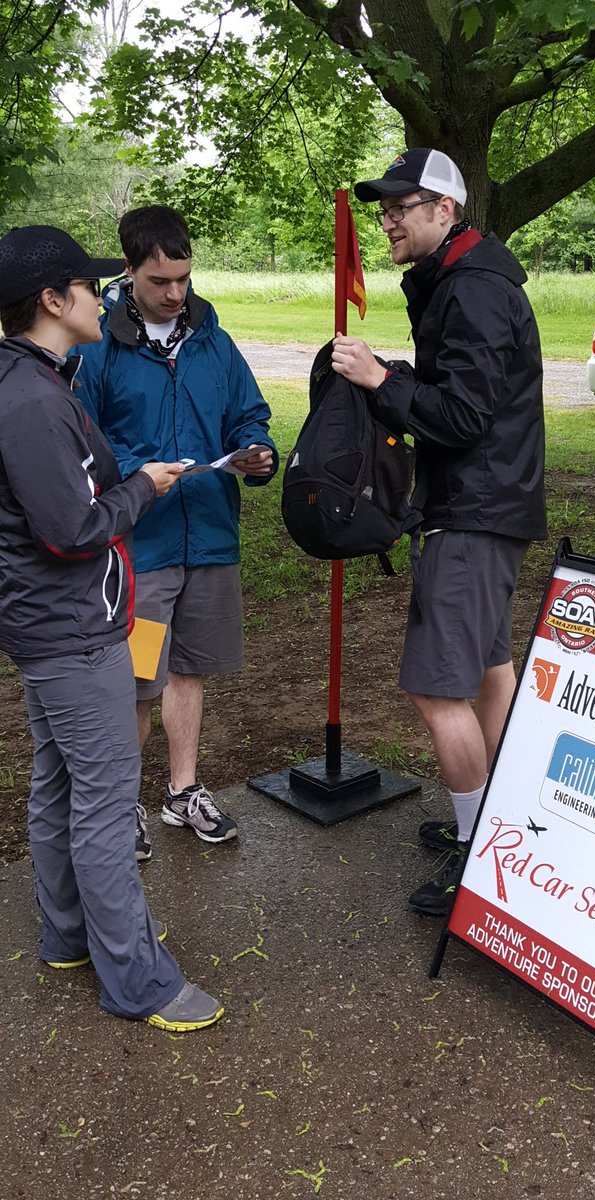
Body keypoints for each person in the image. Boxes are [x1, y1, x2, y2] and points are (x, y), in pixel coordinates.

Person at [0, 225, 223, 1029]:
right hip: (72, 631)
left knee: (58, 785)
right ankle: (139, 982)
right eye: (91, 288)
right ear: (53, 302)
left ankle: (65, 934)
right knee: (101, 803)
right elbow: (69, 529)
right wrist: (143, 489)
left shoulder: (35, 380)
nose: (106, 296)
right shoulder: (28, 397)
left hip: (52, 627)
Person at [332, 148, 547, 916]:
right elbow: (462, 392)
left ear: (445, 210)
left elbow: (461, 416)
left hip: (474, 511)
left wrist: (381, 382)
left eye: (402, 205)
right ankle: (504, 822)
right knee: (489, 670)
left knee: (434, 691)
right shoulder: (463, 281)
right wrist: (394, 372)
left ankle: (482, 858)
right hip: (488, 505)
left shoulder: (475, 292)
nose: (387, 218)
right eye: (383, 207)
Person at [74, 206, 278, 861]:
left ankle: (182, 792)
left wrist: (255, 449)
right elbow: (82, 440)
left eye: (184, 278)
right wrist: (139, 472)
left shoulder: (213, 339)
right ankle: (123, 804)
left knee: (190, 671)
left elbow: (248, 412)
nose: (175, 293)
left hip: (211, 540)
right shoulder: (97, 345)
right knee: (138, 681)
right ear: (128, 270)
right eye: (160, 280)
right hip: (143, 549)